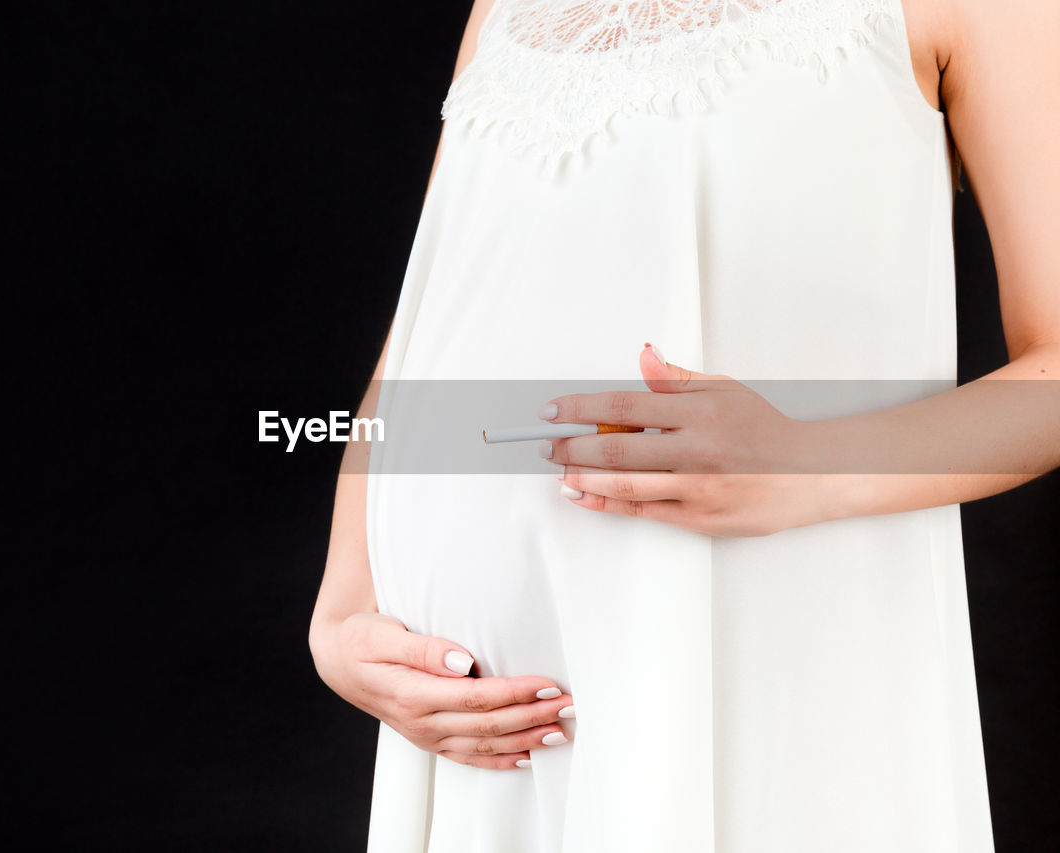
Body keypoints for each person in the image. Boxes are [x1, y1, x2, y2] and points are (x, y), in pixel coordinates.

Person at [309, 0, 1060, 850]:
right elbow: (431, 321)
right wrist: (344, 606)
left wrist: (811, 463)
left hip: (767, 677)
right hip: (482, 734)